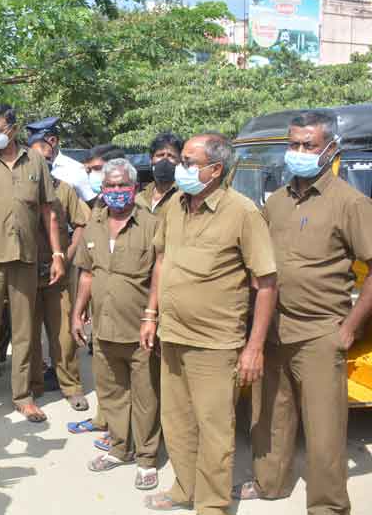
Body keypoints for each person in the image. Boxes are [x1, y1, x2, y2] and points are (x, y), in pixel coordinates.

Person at [235, 112, 372, 515]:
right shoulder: (276, 202)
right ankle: (271, 485)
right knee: (270, 419)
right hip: (273, 331)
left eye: (308, 145)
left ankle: (328, 506)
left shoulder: (350, 203)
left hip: (320, 334)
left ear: (331, 149)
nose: (297, 152)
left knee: (325, 430)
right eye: (293, 144)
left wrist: (348, 329)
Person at [140, 133, 278, 514]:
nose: (178, 168)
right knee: (177, 421)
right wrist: (151, 314)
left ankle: (212, 504)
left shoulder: (243, 212)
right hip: (172, 335)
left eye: (188, 161)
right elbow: (162, 261)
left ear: (215, 170)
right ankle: (184, 489)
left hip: (216, 344)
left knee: (214, 428)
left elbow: (265, 283)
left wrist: (254, 347)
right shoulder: (174, 207)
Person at [0, 103, 64, 430]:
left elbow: (48, 213)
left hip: (26, 258)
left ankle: (22, 397)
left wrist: (58, 254)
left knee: (24, 331)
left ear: (14, 129)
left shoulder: (35, 162)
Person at [70, 158, 162, 488]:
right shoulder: (94, 225)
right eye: (110, 186)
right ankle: (120, 449)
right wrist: (77, 312)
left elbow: (158, 275)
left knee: (145, 395)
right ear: (102, 189)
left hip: (139, 330)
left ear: (134, 188)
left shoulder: (150, 224)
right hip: (104, 329)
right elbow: (87, 273)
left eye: (122, 185)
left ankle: (147, 458)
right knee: (111, 393)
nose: (116, 191)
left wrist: (151, 315)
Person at [27, 129, 90, 411]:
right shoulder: (18, 190)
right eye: (40, 159)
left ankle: (71, 386)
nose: (46, 164)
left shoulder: (63, 189)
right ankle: (33, 384)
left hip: (58, 272)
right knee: (27, 333)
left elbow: (82, 223)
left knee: (63, 333)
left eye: (50, 160)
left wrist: (67, 256)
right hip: (26, 272)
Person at [136, 132, 182, 216]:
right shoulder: (139, 197)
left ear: (179, 161)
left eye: (171, 156)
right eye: (160, 155)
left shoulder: (184, 197)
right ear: (151, 159)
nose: (165, 160)